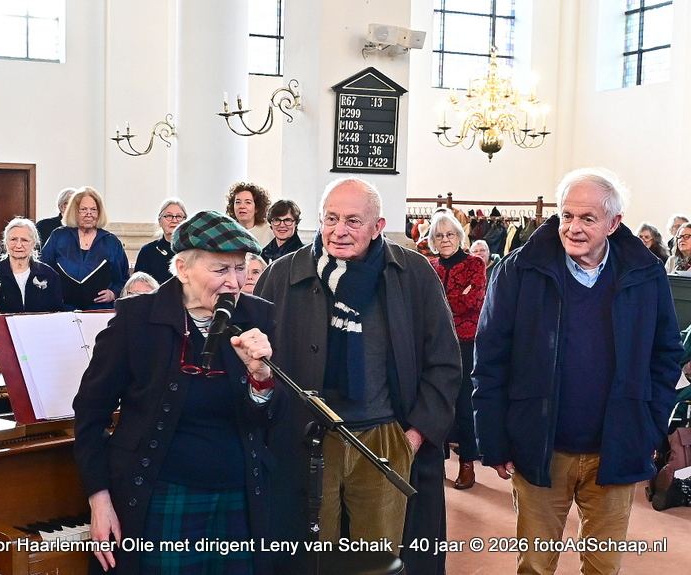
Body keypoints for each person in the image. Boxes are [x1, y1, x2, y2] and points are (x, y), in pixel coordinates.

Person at [473, 168, 682, 575]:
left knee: (603, 567)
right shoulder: (520, 270)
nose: (573, 228)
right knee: (534, 565)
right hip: (540, 447)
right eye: (567, 215)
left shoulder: (645, 273)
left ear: (613, 223)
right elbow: (490, 358)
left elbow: (665, 355)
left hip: (616, 447)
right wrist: (493, 440)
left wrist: (649, 425)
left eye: (587, 219)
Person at [255, 177, 460, 574]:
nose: (339, 231)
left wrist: (413, 438)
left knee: (379, 561)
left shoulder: (412, 273)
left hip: (386, 437)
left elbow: (445, 362)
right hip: (308, 440)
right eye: (331, 218)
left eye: (353, 220)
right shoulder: (282, 275)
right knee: (311, 560)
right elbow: (260, 363)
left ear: (378, 226)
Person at [74, 210, 282, 575]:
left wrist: (261, 377)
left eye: (239, 268)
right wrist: (99, 498)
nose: (233, 282)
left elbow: (270, 419)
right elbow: (90, 415)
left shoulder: (258, 318)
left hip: (239, 492)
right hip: (160, 492)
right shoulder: (137, 319)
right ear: (183, 268)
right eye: (220, 270)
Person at [426, 211, 487, 490]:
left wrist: (443, 304)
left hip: (465, 342)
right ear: (433, 240)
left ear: (459, 236)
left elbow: (473, 301)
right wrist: (453, 300)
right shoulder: (430, 266)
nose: (445, 240)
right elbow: (424, 306)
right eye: (439, 235)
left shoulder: (475, 264)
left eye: (450, 234)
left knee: (463, 403)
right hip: (434, 344)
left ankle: (466, 464)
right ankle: (436, 459)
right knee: (436, 400)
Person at [40, 187, 129, 310]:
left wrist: (113, 293)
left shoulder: (111, 242)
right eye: (83, 209)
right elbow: (42, 270)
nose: (89, 214)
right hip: (63, 309)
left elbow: (123, 279)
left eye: (93, 209)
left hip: (99, 310)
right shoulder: (59, 236)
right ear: (74, 212)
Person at [0, 217, 64, 313]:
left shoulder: (49, 275)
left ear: (34, 243)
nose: (18, 245)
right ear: (5, 242)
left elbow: (57, 312)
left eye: (24, 240)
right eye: (13, 239)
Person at [134, 198, 187, 284]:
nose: (174, 220)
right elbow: (139, 285)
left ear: (185, 222)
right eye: (169, 216)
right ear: (160, 221)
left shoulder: (192, 251)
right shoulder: (147, 251)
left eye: (179, 216)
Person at [225, 181, 272, 247]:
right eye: (238, 202)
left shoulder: (269, 230)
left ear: (257, 208)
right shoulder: (226, 230)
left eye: (248, 202)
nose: (242, 206)